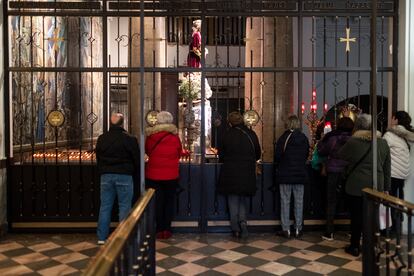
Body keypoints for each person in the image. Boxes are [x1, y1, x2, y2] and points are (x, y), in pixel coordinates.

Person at [338, 113, 391, 257]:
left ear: (358, 126)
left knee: (356, 217)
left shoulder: (353, 142)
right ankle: (372, 247)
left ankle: (355, 246)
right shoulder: (382, 143)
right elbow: (387, 168)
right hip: (376, 185)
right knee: (373, 217)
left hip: (356, 185)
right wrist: (386, 188)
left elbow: (340, 156)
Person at [96, 113, 140, 244]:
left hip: (106, 175)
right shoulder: (129, 139)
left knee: (105, 206)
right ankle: (123, 237)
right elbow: (136, 158)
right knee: (124, 206)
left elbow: (98, 157)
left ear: (111, 123)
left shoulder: (102, 138)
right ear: (122, 123)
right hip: (124, 175)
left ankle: (102, 237)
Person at [217, 112, 261, 239]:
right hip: (247, 172)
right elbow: (257, 154)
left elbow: (222, 156)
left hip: (230, 173)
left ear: (229, 122)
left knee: (233, 200)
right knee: (242, 200)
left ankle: (235, 228)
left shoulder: (226, 135)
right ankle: (243, 225)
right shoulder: (251, 134)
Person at [145, 111, 182, 240]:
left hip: (153, 176)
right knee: (169, 202)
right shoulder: (174, 137)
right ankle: (167, 229)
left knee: (157, 203)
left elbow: (148, 151)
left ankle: (159, 229)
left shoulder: (150, 136)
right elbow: (179, 152)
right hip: (171, 175)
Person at [317, 117, 355, 241]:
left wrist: (322, 141)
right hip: (348, 172)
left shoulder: (332, 138)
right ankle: (352, 231)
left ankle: (329, 232)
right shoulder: (353, 139)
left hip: (333, 172)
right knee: (351, 201)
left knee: (331, 201)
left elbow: (322, 151)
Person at [274, 115, 309, 239]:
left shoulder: (284, 138)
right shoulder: (304, 138)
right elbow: (306, 154)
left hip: (285, 174)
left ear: (288, 124)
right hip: (300, 174)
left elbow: (277, 156)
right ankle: (298, 229)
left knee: (285, 201)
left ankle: (286, 229)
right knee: (299, 202)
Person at [383, 111, 414, 235]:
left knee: (388, 200)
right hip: (403, 173)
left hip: (392, 173)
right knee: (399, 199)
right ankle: (398, 225)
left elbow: (383, 152)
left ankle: (388, 228)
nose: (391, 119)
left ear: (396, 120)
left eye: (392, 118)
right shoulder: (407, 135)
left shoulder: (389, 135)